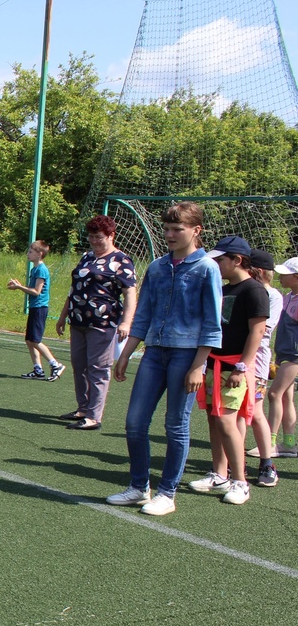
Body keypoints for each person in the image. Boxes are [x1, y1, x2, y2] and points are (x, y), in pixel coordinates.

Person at [107, 202, 222, 516]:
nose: (170, 235)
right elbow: (143, 314)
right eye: (167, 229)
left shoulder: (207, 268)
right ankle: (138, 487)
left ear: (195, 231)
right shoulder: (157, 267)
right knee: (134, 422)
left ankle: (167, 493)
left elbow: (212, 324)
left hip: (186, 356)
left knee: (176, 425)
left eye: (177, 230)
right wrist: (126, 354)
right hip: (154, 353)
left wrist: (199, 365)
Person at [186, 236, 269, 504]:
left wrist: (240, 367)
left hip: (234, 367)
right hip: (214, 363)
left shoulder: (254, 290)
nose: (216, 264)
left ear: (237, 260)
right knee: (213, 418)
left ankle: (240, 481)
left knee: (226, 420)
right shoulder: (223, 288)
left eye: (221, 259)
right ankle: (219, 473)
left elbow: (257, 332)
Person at [54, 215, 138, 431]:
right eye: (91, 236)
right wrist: (63, 316)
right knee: (78, 365)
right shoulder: (86, 257)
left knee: (98, 367)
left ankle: (94, 415)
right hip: (78, 319)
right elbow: (75, 290)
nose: (94, 241)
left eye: (98, 237)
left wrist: (126, 323)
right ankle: (82, 408)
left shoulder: (121, 260)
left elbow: (130, 293)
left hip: (103, 322)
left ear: (111, 236)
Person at [242, 248, 280, 486]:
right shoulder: (242, 291)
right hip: (235, 358)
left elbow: (263, 329)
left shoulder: (273, 295)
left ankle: (267, 463)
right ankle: (236, 464)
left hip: (256, 363)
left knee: (255, 413)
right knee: (234, 413)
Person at [7, 240, 65, 381]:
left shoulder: (41, 270)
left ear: (39, 254)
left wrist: (19, 287)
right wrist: (20, 285)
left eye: (31, 252)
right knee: (29, 340)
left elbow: (37, 291)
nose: (28, 254)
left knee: (35, 340)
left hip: (40, 308)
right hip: (35, 307)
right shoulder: (35, 269)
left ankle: (55, 364)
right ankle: (38, 369)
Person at [264, 257, 298, 464]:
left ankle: (270, 442)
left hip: (294, 356)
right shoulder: (289, 297)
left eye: (285, 273)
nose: (280, 276)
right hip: (285, 354)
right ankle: (289, 443)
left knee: (275, 393)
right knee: (285, 397)